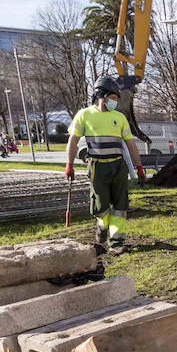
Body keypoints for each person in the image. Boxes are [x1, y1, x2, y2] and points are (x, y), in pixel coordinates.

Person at [65, 75, 143, 254]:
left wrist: (139, 167)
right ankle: (102, 228)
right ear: (102, 95)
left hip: (118, 166)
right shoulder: (84, 115)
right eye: (113, 98)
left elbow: (131, 144)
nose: (115, 102)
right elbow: (73, 141)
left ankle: (116, 242)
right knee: (101, 207)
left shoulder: (120, 117)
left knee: (120, 206)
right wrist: (69, 164)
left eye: (116, 99)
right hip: (97, 168)